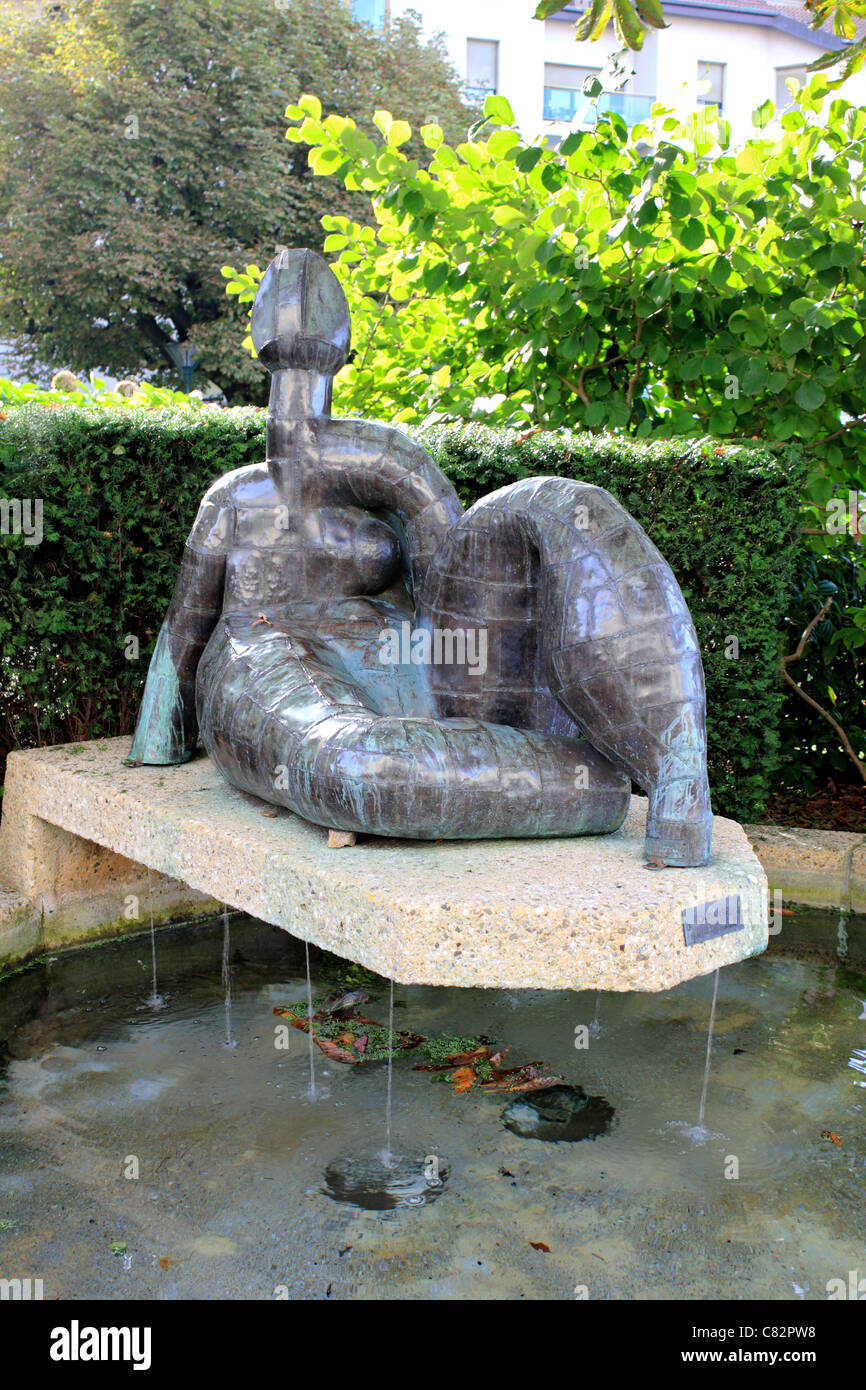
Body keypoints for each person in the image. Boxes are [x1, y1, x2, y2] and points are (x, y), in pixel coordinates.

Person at [128, 249, 712, 865]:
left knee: (563, 505)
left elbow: (447, 586)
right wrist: (162, 733)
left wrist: (410, 481)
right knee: (356, 764)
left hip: (413, 663)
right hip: (268, 661)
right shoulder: (232, 499)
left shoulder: (383, 484)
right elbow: (184, 628)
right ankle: (590, 787)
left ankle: (678, 774)